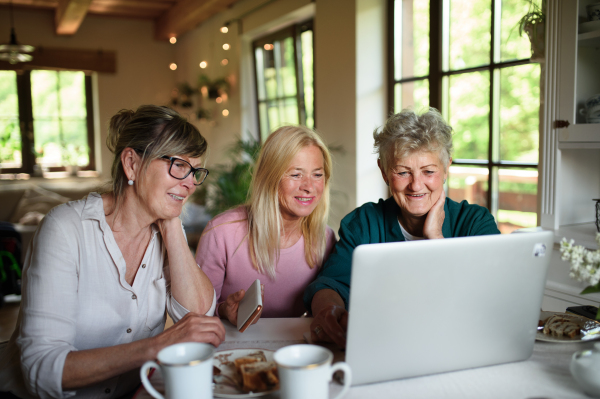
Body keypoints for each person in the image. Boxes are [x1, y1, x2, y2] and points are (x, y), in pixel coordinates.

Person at [0, 105, 225, 399]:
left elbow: (197, 318)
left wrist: (172, 223)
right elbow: (41, 372)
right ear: (131, 163)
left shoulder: (166, 230)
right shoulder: (66, 230)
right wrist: (156, 346)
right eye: (179, 166)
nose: (191, 183)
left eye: (195, 171)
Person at [304, 108, 500, 348]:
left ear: (446, 167)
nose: (416, 185)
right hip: (385, 347)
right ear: (385, 172)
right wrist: (329, 311)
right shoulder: (363, 223)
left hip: (460, 344)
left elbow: (492, 296)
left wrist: (436, 238)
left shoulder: (475, 223)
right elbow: (329, 284)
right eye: (402, 172)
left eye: (428, 171)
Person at [197, 125, 336, 324]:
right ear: (270, 177)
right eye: (296, 174)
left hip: (294, 351)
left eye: (317, 174)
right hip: (232, 350)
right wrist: (224, 310)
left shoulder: (326, 239)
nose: (309, 187)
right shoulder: (222, 233)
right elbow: (195, 315)